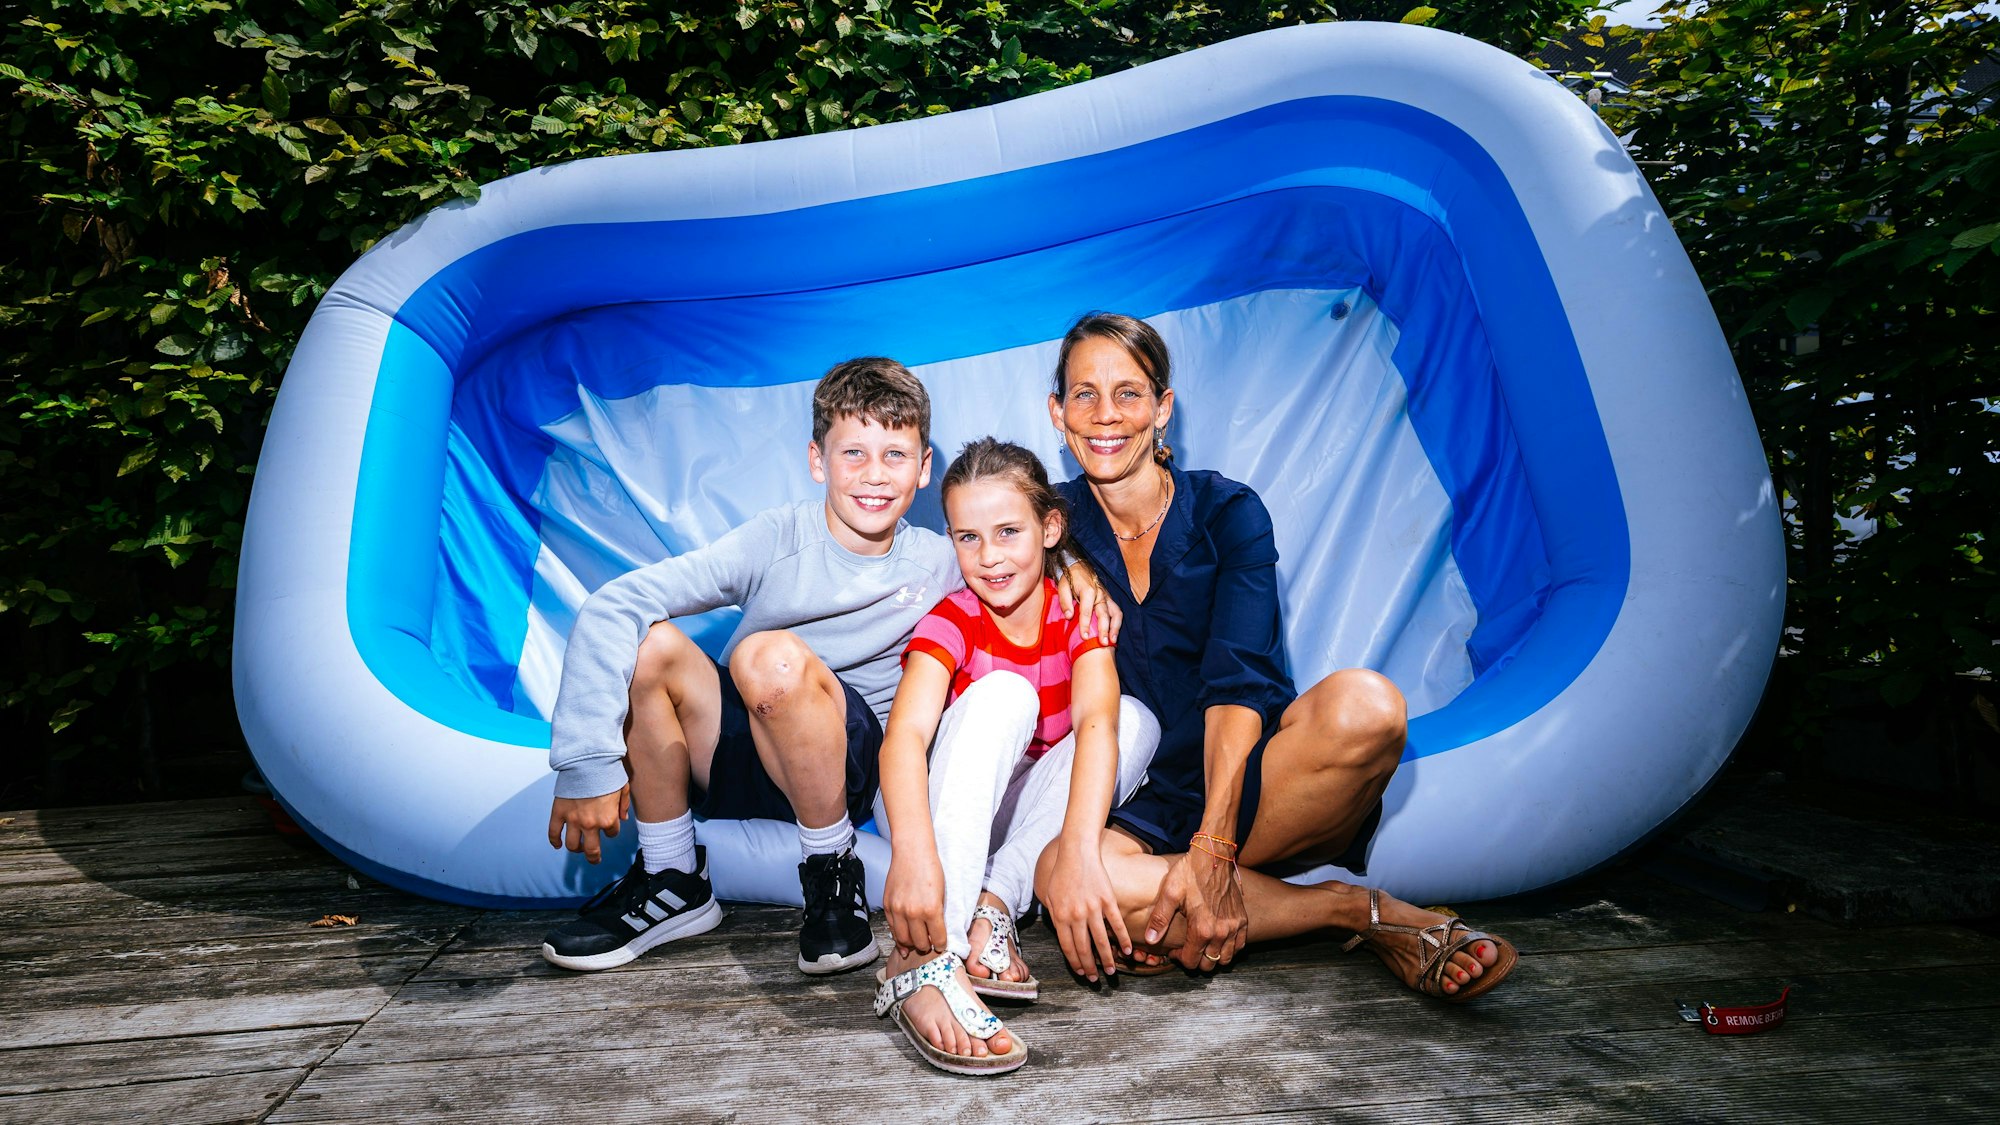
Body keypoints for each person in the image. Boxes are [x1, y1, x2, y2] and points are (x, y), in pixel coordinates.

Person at [536, 358, 1117, 976]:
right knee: (654, 645)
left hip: (852, 764)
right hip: (750, 742)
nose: (874, 476)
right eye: (853, 454)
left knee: (771, 657)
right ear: (818, 461)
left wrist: (1072, 567)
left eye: (895, 455)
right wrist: (587, 761)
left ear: (923, 469)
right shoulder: (775, 539)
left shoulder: (944, 557)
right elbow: (617, 603)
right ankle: (672, 877)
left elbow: (1011, 549)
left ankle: (834, 875)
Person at [1033, 312, 1518, 1001]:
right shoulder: (1046, 524)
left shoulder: (1229, 510)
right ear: (1058, 411)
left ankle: (1186, 902)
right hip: (1133, 802)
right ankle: (1354, 910)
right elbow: (970, 546)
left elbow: (1238, 685)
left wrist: (1214, 848)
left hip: (1254, 784)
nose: (1106, 415)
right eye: (1083, 393)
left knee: (1369, 705)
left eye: (1129, 392)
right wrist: (1064, 556)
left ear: (1162, 408)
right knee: (1067, 876)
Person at [870, 438, 1157, 1075]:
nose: (990, 557)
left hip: (1020, 827)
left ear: (1050, 528)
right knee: (1005, 694)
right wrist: (913, 858)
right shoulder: (953, 618)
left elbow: (1097, 724)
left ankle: (993, 904)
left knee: (1133, 721)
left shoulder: (1077, 613)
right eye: (967, 538)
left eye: (1007, 532)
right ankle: (925, 956)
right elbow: (906, 740)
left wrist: (1078, 857)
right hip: (934, 814)